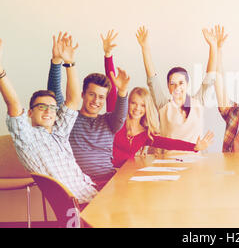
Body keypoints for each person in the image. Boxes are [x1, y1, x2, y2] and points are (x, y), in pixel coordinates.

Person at [1, 35, 97, 204]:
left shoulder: (59, 133)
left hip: (93, 194)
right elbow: (14, 104)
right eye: (41, 107)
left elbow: (73, 100)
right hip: (79, 206)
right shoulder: (27, 138)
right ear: (30, 113)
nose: (48, 111)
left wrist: (69, 64)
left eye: (52, 108)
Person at [100, 30, 214, 167]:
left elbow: (169, 143)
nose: (137, 108)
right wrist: (142, 49)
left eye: (142, 105)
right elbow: (147, 80)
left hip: (193, 162)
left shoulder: (145, 135)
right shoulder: (120, 120)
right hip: (113, 172)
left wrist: (214, 47)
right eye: (133, 103)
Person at [47, 33, 130, 189]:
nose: (96, 101)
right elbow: (54, 94)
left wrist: (123, 91)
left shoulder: (110, 122)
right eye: (92, 94)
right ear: (83, 94)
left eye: (101, 97)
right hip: (79, 184)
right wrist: (57, 61)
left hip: (108, 183)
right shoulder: (69, 119)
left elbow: (121, 113)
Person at [137, 26, 216, 145]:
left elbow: (209, 77)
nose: (177, 87)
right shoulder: (164, 105)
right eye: (172, 84)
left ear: (187, 84)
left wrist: (213, 46)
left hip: (195, 160)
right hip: (169, 161)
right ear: (168, 87)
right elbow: (152, 80)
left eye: (181, 83)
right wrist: (145, 49)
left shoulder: (198, 102)